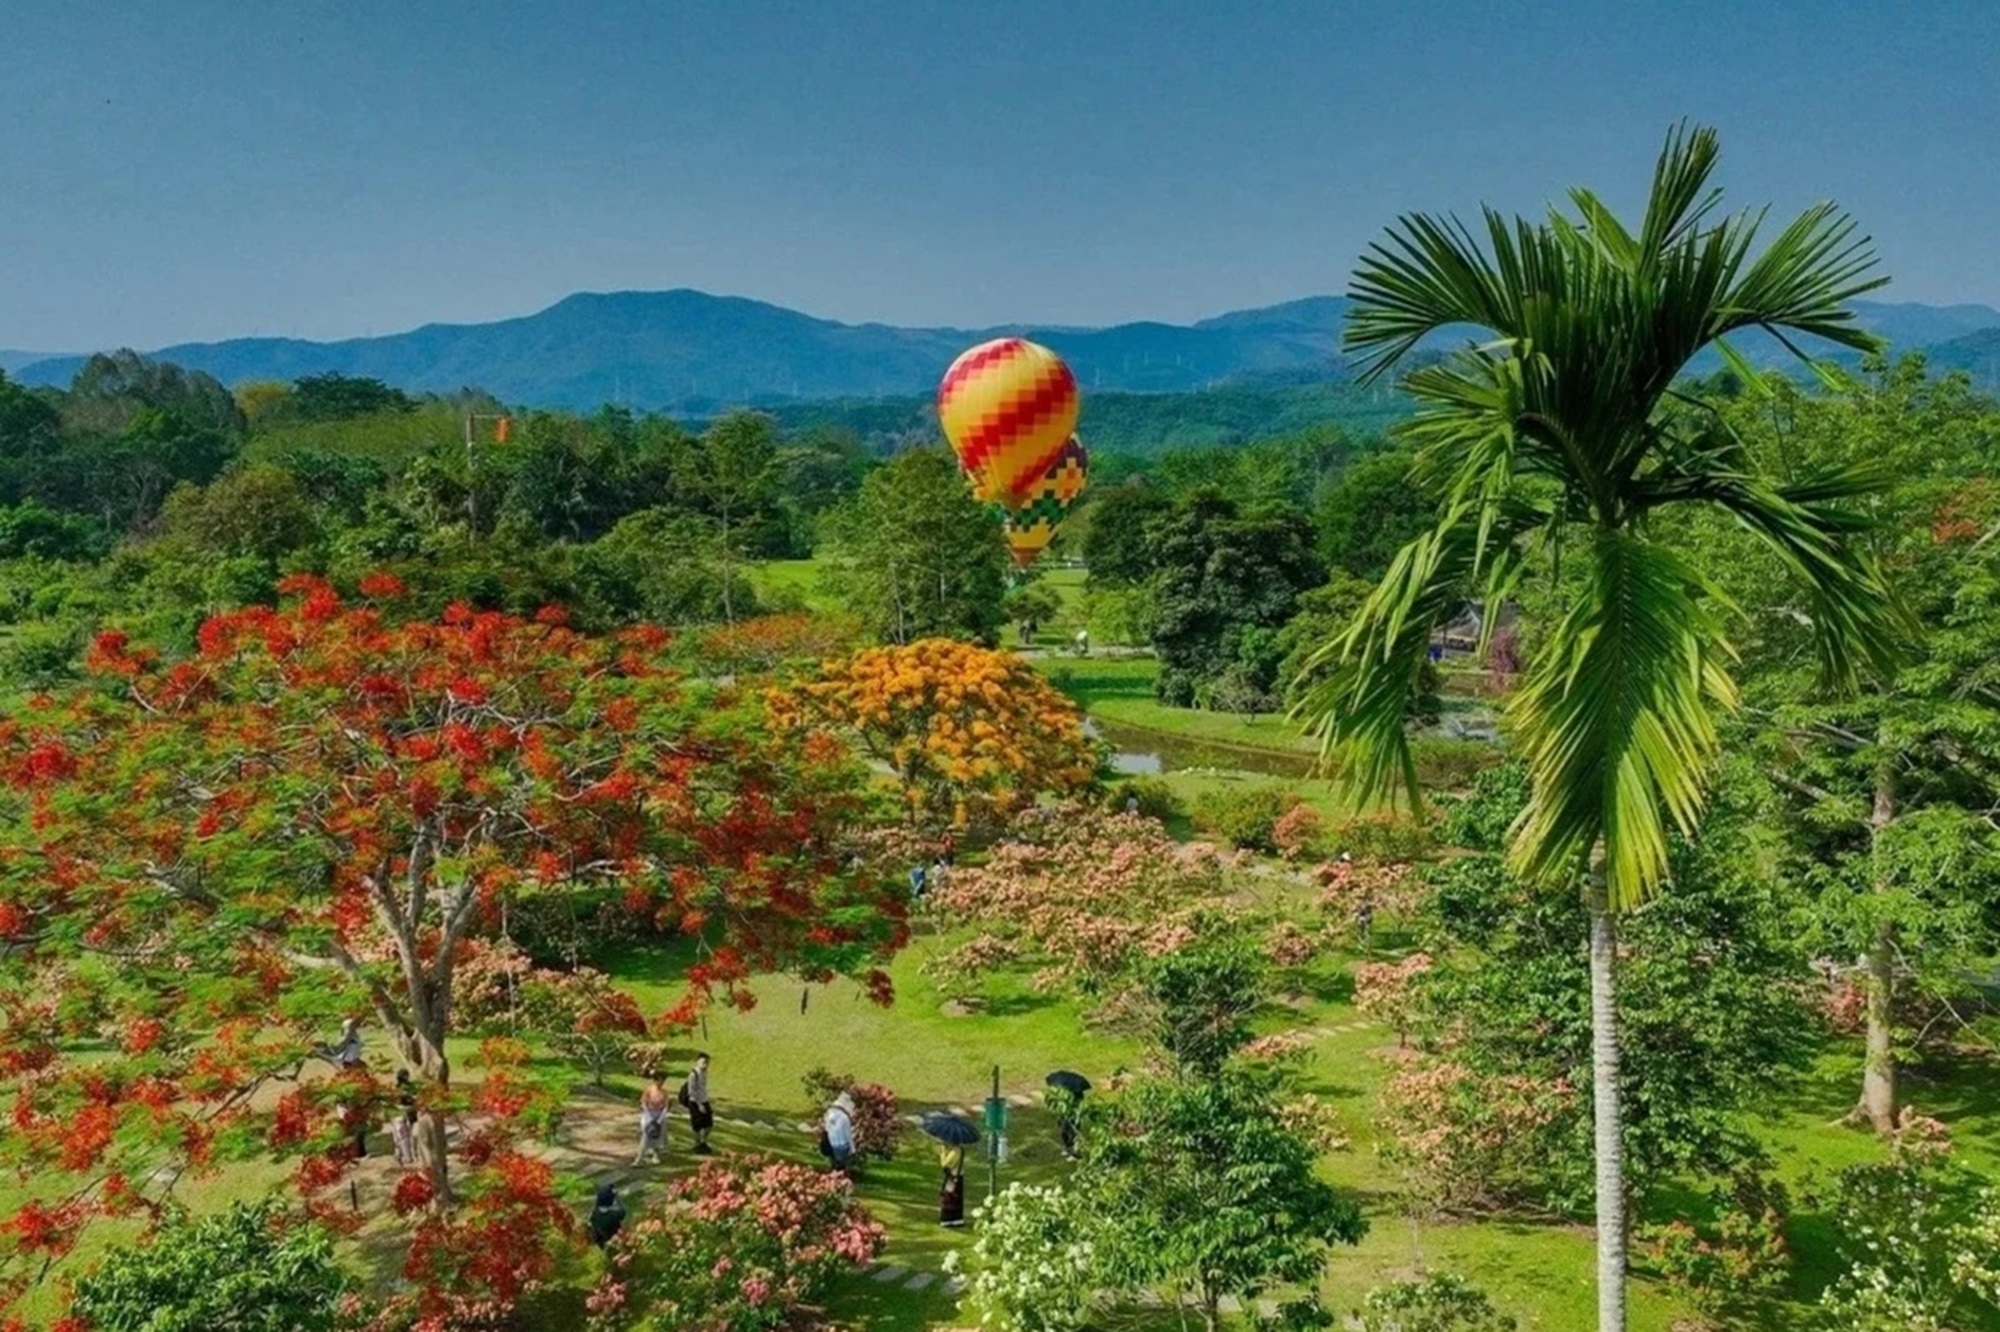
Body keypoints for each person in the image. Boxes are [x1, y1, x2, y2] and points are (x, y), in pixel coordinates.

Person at [679, 1053, 714, 1154]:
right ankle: (697, 1144)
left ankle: (703, 1142)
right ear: (697, 1062)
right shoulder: (693, 1074)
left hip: (704, 1100)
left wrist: (706, 1101)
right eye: (703, 1062)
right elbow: (691, 1091)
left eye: (707, 1062)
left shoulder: (704, 1073)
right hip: (695, 1102)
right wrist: (699, 1105)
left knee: (709, 1124)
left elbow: (702, 1088)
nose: (705, 1064)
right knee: (697, 1125)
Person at [635, 1072, 669, 1165]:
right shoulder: (649, 1090)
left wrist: (659, 1119)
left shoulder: (664, 1092)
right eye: (659, 1080)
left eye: (662, 1081)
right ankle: (639, 1158)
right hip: (649, 1113)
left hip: (659, 1115)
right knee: (646, 1135)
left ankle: (655, 1155)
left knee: (658, 1135)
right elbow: (643, 1103)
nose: (661, 1083)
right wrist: (649, 1117)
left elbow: (666, 1106)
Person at [820, 1091, 856, 1173]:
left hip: (831, 1144)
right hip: (842, 1146)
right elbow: (848, 1135)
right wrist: (853, 1150)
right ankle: (840, 1173)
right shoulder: (844, 1118)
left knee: (835, 1160)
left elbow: (826, 1129)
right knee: (841, 1163)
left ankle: (834, 1170)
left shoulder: (829, 1115)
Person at [587, 1184, 626, 1249]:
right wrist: (617, 1197)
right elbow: (623, 1211)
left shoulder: (596, 1212)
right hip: (611, 1243)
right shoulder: (613, 1216)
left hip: (600, 1241)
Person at [938, 1140, 966, 1226]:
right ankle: (957, 1218)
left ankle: (947, 1219)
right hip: (959, 1176)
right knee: (957, 1199)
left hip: (952, 1176)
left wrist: (943, 1153)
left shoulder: (955, 1151)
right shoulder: (960, 1150)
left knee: (949, 1198)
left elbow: (944, 1164)